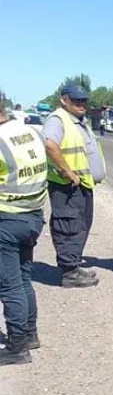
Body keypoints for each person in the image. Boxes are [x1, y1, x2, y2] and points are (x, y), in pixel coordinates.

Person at [43, 84, 105, 288]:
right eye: (76, 100)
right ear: (64, 100)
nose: (81, 104)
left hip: (81, 185)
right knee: (68, 226)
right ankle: (69, 272)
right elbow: (50, 145)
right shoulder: (58, 119)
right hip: (66, 186)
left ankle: (73, 266)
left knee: (80, 226)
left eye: (83, 100)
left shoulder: (77, 121)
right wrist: (69, 172)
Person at [0, 108, 48, 365]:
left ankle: (17, 347)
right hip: (33, 216)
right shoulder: (30, 132)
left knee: (9, 285)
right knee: (23, 277)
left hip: (6, 219)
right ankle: (30, 334)